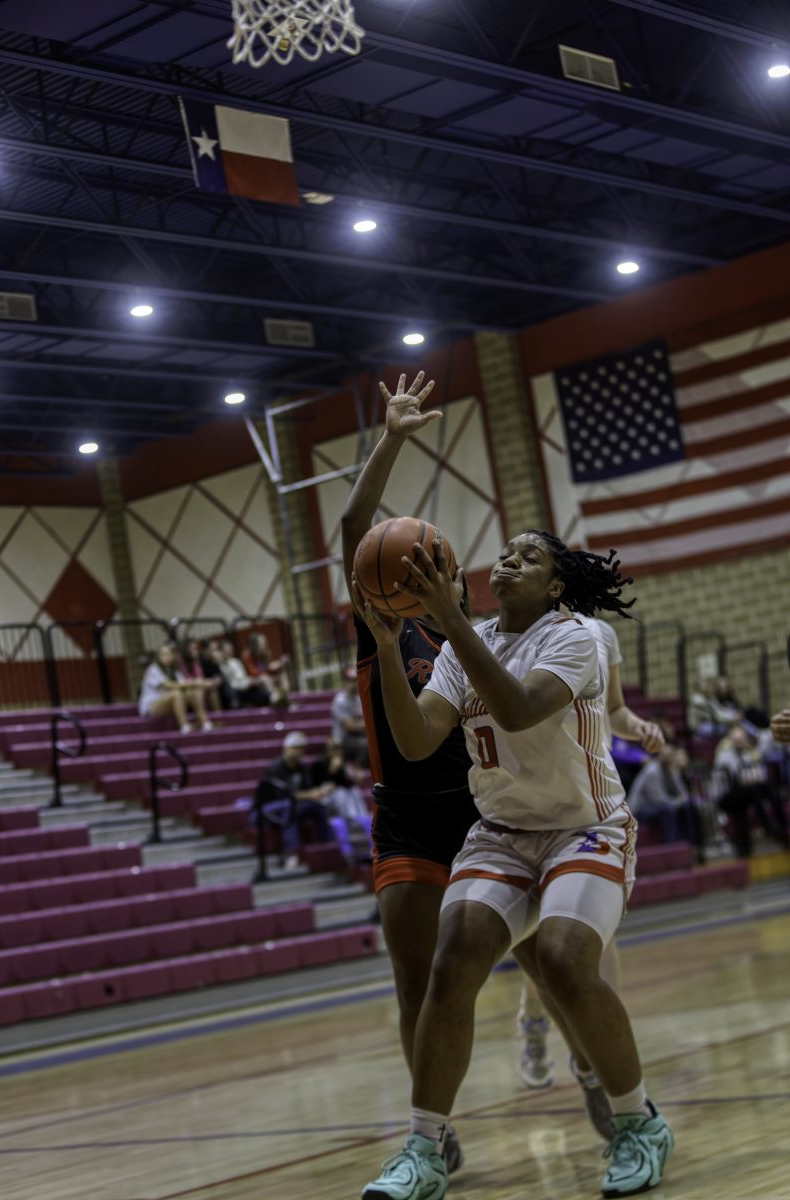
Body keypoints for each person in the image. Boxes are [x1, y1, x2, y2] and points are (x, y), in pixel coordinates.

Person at [357, 529, 673, 1200]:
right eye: (505, 552)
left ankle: (638, 1122)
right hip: (502, 833)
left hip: (584, 829)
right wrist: (387, 648)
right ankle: (424, 1149)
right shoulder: (462, 643)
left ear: (556, 587)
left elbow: (518, 709)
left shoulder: (575, 638)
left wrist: (446, 619)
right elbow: (415, 741)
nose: (508, 560)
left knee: (562, 958)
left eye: (529, 557)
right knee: (452, 961)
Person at [340, 371, 480, 1175]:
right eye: (413, 562)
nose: (423, 571)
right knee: (415, 982)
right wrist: (391, 439)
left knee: (546, 960)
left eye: (437, 564)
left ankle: (590, 1065)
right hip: (406, 818)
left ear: (456, 578)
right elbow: (356, 525)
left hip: (482, 812)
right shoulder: (382, 629)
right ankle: (436, 1123)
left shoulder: (476, 642)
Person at [516, 613, 664, 1117]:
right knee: (543, 941)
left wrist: (637, 727)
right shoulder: (516, 631)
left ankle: (597, 1055)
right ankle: (534, 1021)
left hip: (592, 804)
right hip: (532, 805)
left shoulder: (601, 632)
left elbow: (614, 709)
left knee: (591, 937)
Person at [254, 731, 334, 869]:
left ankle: (326, 847)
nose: (299, 752)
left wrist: (320, 792)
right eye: (296, 748)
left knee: (319, 807)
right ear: (286, 748)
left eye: (301, 748)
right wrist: (310, 794)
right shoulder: (276, 767)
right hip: (267, 809)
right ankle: (291, 853)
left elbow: (308, 789)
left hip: (291, 805)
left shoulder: (301, 767)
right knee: (289, 808)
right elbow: (286, 795)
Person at [713, 723, 788, 857]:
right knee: (754, 790)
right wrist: (747, 777)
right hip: (726, 794)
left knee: (769, 789)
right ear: (732, 741)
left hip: (746, 792)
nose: (740, 742)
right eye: (737, 740)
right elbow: (733, 777)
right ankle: (767, 826)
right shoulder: (724, 756)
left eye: (742, 739)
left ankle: (782, 825)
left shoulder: (747, 753)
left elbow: (757, 773)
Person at [626, 743, 702, 848]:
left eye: (671, 756)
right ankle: (673, 846)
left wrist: (674, 775)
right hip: (639, 809)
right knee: (667, 811)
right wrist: (679, 801)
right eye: (667, 757)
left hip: (657, 805)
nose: (670, 759)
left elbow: (682, 793)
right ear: (660, 756)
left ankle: (692, 845)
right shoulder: (652, 771)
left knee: (687, 806)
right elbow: (659, 800)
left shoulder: (671, 769)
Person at [311, 740, 373, 863]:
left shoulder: (344, 764)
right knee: (340, 793)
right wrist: (333, 769)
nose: (337, 753)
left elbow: (348, 783)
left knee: (353, 791)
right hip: (328, 801)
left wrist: (353, 775)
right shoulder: (319, 764)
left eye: (339, 750)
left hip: (347, 798)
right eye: (334, 750)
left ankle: (358, 816)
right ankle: (352, 816)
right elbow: (321, 785)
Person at [138, 642, 212, 733]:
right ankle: (184, 726)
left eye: (168, 654)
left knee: (191, 693)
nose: (166, 657)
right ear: (158, 657)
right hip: (151, 707)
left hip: (170, 703)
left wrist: (195, 685)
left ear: (173, 656)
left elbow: (183, 683)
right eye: (163, 654)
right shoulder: (152, 669)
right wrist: (194, 683)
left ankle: (205, 723)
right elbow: (168, 685)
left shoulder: (173, 670)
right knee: (176, 693)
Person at [330, 667, 369, 767]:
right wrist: (367, 724)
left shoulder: (359, 698)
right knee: (366, 744)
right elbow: (349, 726)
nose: (354, 684)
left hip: (359, 736)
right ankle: (357, 769)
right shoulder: (340, 701)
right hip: (343, 740)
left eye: (355, 681)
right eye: (350, 681)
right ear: (345, 683)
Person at [217, 640, 272, 708]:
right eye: (226, 650)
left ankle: (272, 698)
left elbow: (243, 677)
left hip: (245, 686)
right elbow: (231, 683)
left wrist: (251, 681)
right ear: (221, 652)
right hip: (235, 691)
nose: (229, 651)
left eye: (230, 649)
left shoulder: (236, 662)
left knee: (261, 685)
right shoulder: (220, 665)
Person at [241, 632, 291, 706]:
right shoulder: (247, 656)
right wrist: (269, 668)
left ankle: (284, 695)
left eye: (264, 643)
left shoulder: (264, 654)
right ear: (254, 645)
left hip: (265, 677)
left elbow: (268, 669)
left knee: (282, 674)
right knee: (265, 678)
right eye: (261, 644)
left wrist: (279, 664)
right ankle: (274, 699)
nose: (264, 645)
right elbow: (253, 672)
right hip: (253, 682)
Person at [177, 637, 223, 711]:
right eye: (193, 649)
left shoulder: (195, 660)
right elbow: (185, 679)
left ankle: (218, 715)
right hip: (187, 688)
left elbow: (200, 676)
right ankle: (203, 717)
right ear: (186, 650)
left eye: (196, 648)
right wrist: (200, 682)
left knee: (212, 688)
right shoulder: (180, 660)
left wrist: (210, 681)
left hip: (198, 685)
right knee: (198, 691)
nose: (196, 651)